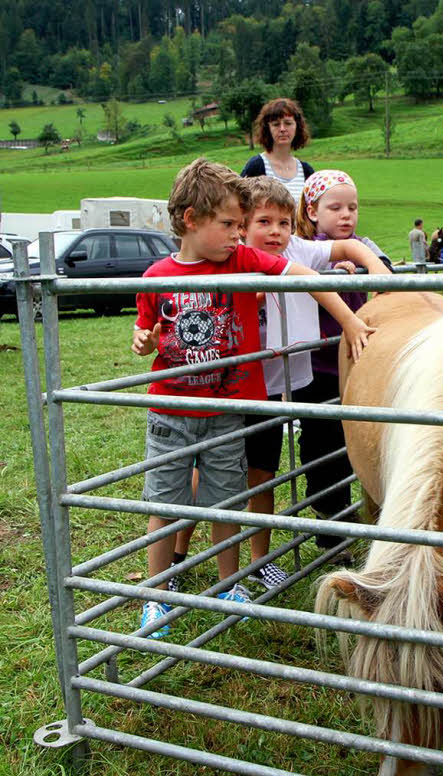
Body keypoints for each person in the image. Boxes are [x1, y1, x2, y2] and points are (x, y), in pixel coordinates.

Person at [131, 158, 375, 638]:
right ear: (191, 220)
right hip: (171, 412)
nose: (236, 235)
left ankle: (230, 585)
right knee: (165, 501)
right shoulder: (156, 275)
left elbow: (304, 275)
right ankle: (157, 594)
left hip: (228, 413)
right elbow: (145, 333)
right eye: (229, 225)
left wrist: (348, 319)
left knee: (226, 500)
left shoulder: (243, 261)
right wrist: (143, 341)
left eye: (241, 225)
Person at [294, 170, 393, 547]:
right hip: (317, 369)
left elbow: (385, 271)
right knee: (322, 447)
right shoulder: (306, 249)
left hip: (359, 365)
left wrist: (372, 267)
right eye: (334, 207)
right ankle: (331, 530)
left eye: (352, 206)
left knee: (363, 440)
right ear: (313, 211)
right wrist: (332, 273)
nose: (346, 215)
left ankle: (369, 517)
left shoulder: (364, 244)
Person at [240, 98, 314, 203]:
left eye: (288, 123)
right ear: (267, 128)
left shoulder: (306, 171)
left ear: (297, 127)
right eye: (276, 124)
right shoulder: (256, 166)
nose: (282, 129)